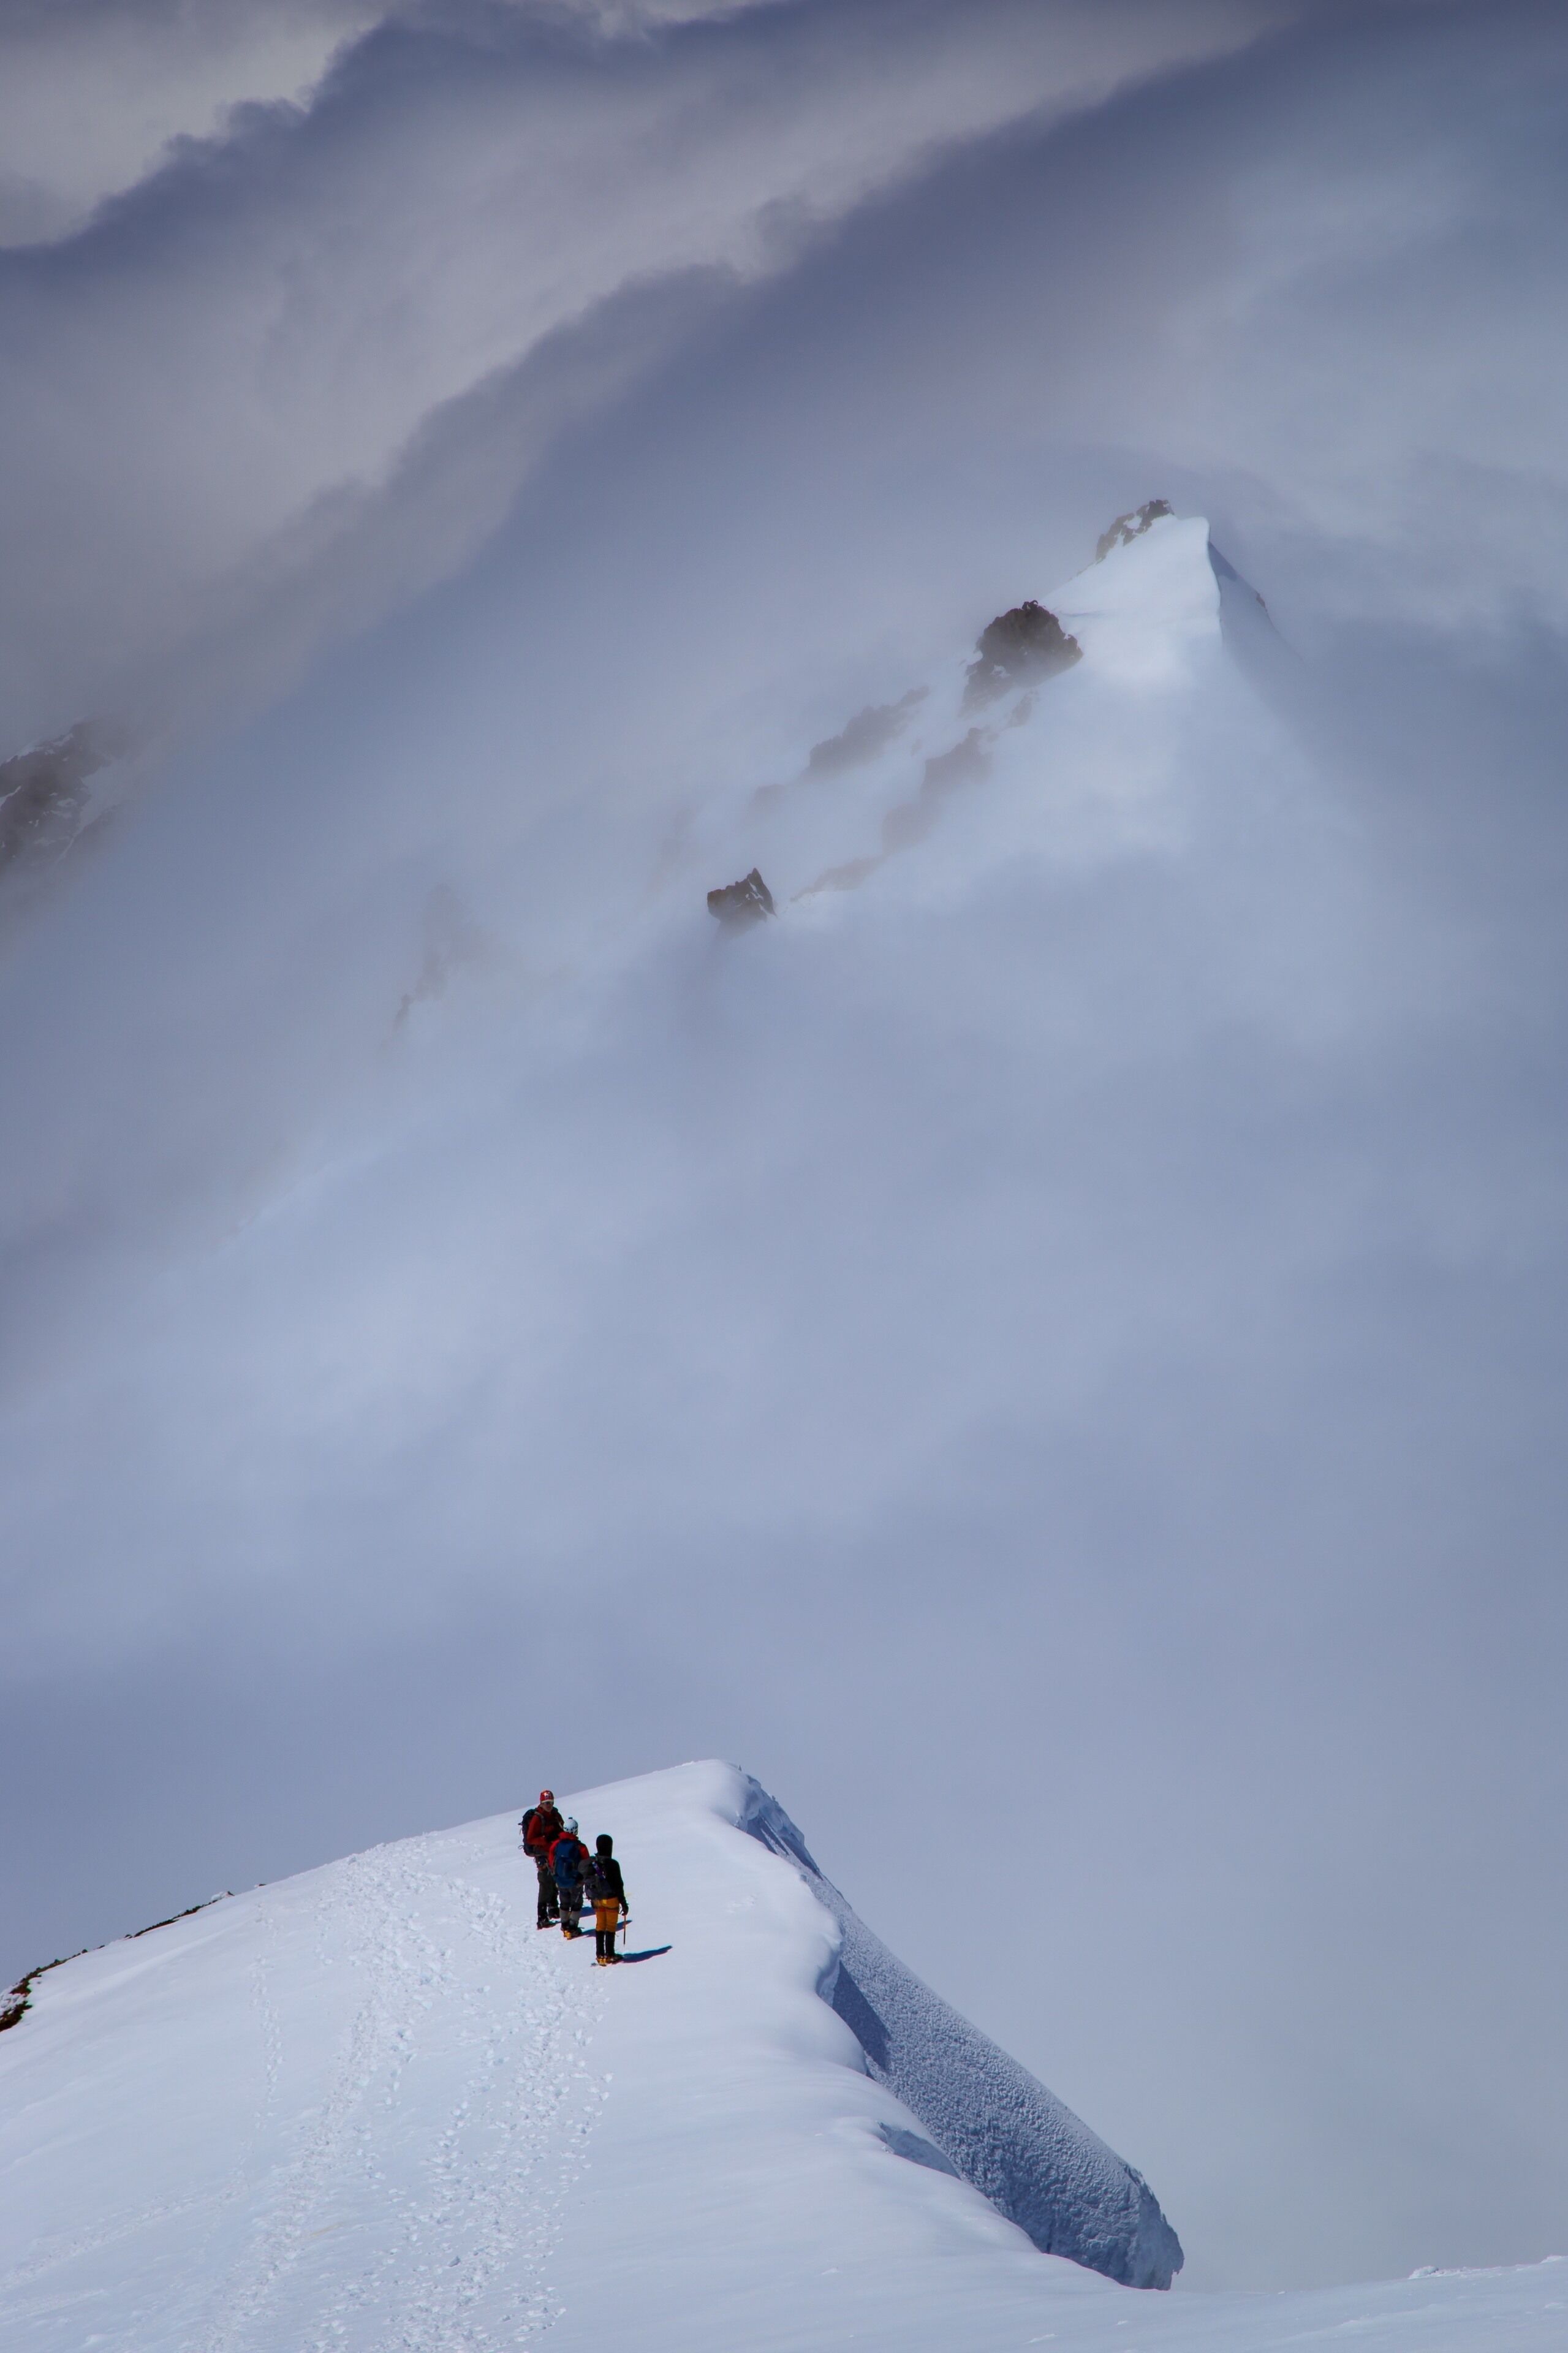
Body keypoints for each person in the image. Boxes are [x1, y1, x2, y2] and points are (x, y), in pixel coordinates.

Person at [521, 1789, 565, 1929]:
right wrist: (545, 1841)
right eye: (546, 1803)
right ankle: (542, 1917)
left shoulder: (555, 1815)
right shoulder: (537, 1818)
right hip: (543, 1854)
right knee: (545, 1883)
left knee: (555, 1880)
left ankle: (553, 1909)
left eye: (550, 1803)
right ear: (541, 1803)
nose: (549, 1805)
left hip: (554, 1852)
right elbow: (530, 1839)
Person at [585, 1833, 629, 1966]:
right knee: (610, 1926)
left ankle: (600, 1955)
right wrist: (624, 1903)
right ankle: (610, 1954)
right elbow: (618, 1885)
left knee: (600, 1925)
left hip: (597, 1900)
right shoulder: (613, 1864)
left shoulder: (593, 1863)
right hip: (611, 1899)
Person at [551, 1817, 590, 1938]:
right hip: (575, 1881)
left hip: (561, 1879)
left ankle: (564, 1925)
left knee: (564, 1902)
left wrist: (556, 1874)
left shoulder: (556, 1844)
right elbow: (586, 1863)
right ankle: (572, 1927)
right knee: (576, 1903)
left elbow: (552, 1858)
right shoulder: (580, 1847)